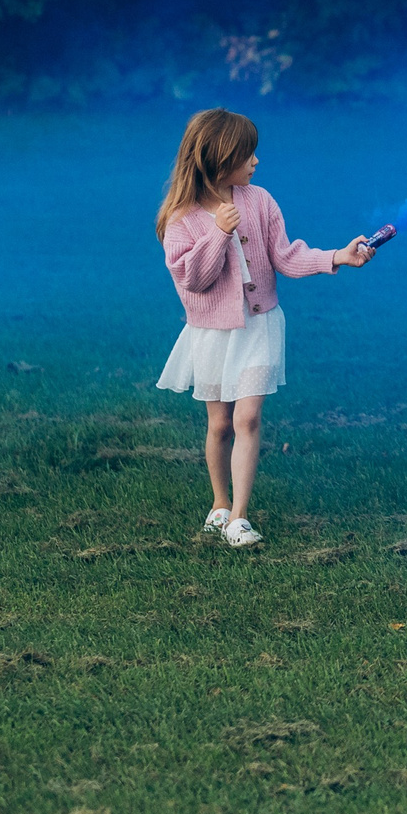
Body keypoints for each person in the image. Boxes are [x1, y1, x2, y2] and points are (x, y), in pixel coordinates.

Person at [155, 108, 375, 548]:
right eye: (247, 154)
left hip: (258, 325)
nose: (255, 163)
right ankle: (219, 505)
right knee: (219, 425)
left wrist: (337, 256)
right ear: (219, 158)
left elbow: (286, 257)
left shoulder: (260, 201)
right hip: (213, 333)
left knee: (248, 417)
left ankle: (239, 517)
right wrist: (217, 233)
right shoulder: (181, 218)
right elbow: (193, 280)